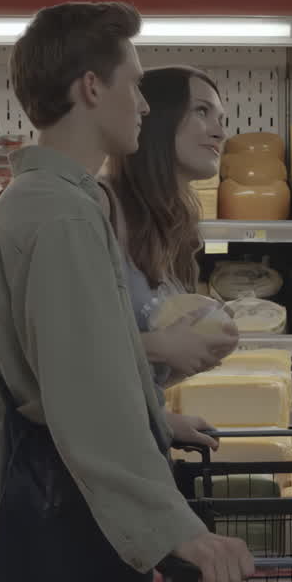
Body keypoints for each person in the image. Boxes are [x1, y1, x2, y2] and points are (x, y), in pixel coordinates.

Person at [0, 2, 253, 582]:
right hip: (39, 510)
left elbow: (76, 360)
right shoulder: (62, 218)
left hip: (36, 499)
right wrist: (177, 530)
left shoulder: (51, 203)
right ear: (90, 86)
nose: (142, 104)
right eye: (133, 83)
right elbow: (84, 391)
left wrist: (152, 414)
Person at [99, 65, 239, 414]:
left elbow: (135, 375)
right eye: (202, 111)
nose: (219, 132)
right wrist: (160, 346)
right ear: (155, 118)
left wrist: (190, 354)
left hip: (129, 434)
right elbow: (62, 347)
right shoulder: (100, 207)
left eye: (222, 118)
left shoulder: (169, 224)